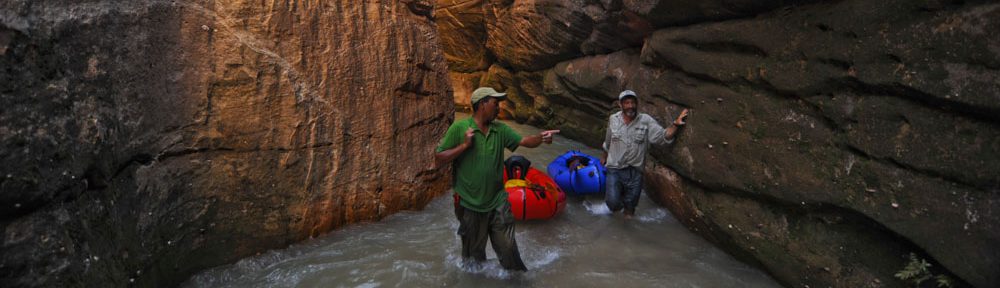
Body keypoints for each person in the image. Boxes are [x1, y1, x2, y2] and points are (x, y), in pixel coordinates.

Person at [434, 87, 559, 271]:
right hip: (469, 204)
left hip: (498, 201)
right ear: (482, 104)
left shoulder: (499, 129)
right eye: (495, 103)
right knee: (473, 262)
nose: (499, 107)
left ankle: (517, 283)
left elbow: (525, 142)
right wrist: (464, 145)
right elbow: (439, 158)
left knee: (509, 252)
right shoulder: (460, 128)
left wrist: (541, 138)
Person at [601, 89, 689, 219]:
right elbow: (608, 141)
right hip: (615, 168)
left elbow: (662, 136)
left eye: (632, 102)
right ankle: (618, 208)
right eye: (626, 103)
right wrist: (604, 156)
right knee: (612, 203)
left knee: (630, 210)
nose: (630, 106)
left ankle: (625, 235)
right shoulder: (613, 119)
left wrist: (675, 124)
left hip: (635, 172)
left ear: (637, 104)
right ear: (621, 105)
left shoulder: (645, 120)